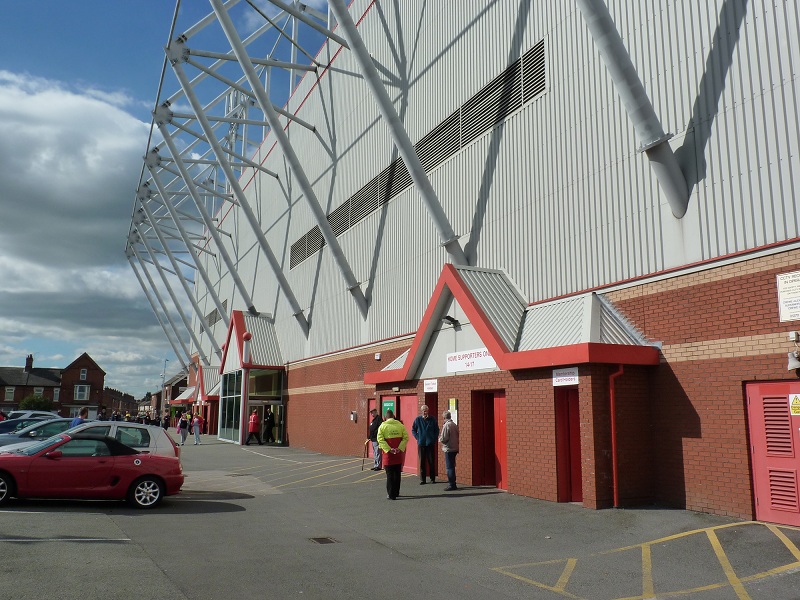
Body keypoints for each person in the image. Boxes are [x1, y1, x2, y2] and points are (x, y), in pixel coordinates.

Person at [377, 409, 409, 500]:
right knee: (397, 474)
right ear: (393, 416)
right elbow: (406, 437)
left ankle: (391, 494)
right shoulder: (400, 425)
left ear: (385, 417)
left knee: (389, 475)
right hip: (398, 454)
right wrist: (399, 448)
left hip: (388, 455)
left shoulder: (382, 426)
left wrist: (388, 449)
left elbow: (380, 439)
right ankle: (396, 492)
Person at [411, 405, 439, 484]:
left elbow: (437, 430)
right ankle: (423, 479)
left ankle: (432, 478)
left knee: (431, 461)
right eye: (423, 410)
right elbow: (413, 430)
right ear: (421, 411)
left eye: (426, 410)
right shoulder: (418, 419)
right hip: (421, 443)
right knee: (422, 462)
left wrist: (434, 439)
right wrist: (418, 437)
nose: (424, 412)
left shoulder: (432, 419)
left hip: (430, 444)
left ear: (428, 411)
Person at [439, 410, 460, 491]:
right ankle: (453, 483)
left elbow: (444, 438)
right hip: (455, 447)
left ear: (444, 417)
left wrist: (440, 439)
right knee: (452, 466)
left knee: (449, 467)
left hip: (449, 448)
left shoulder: (446, 425)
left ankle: (452, 484)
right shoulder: (454, 424)